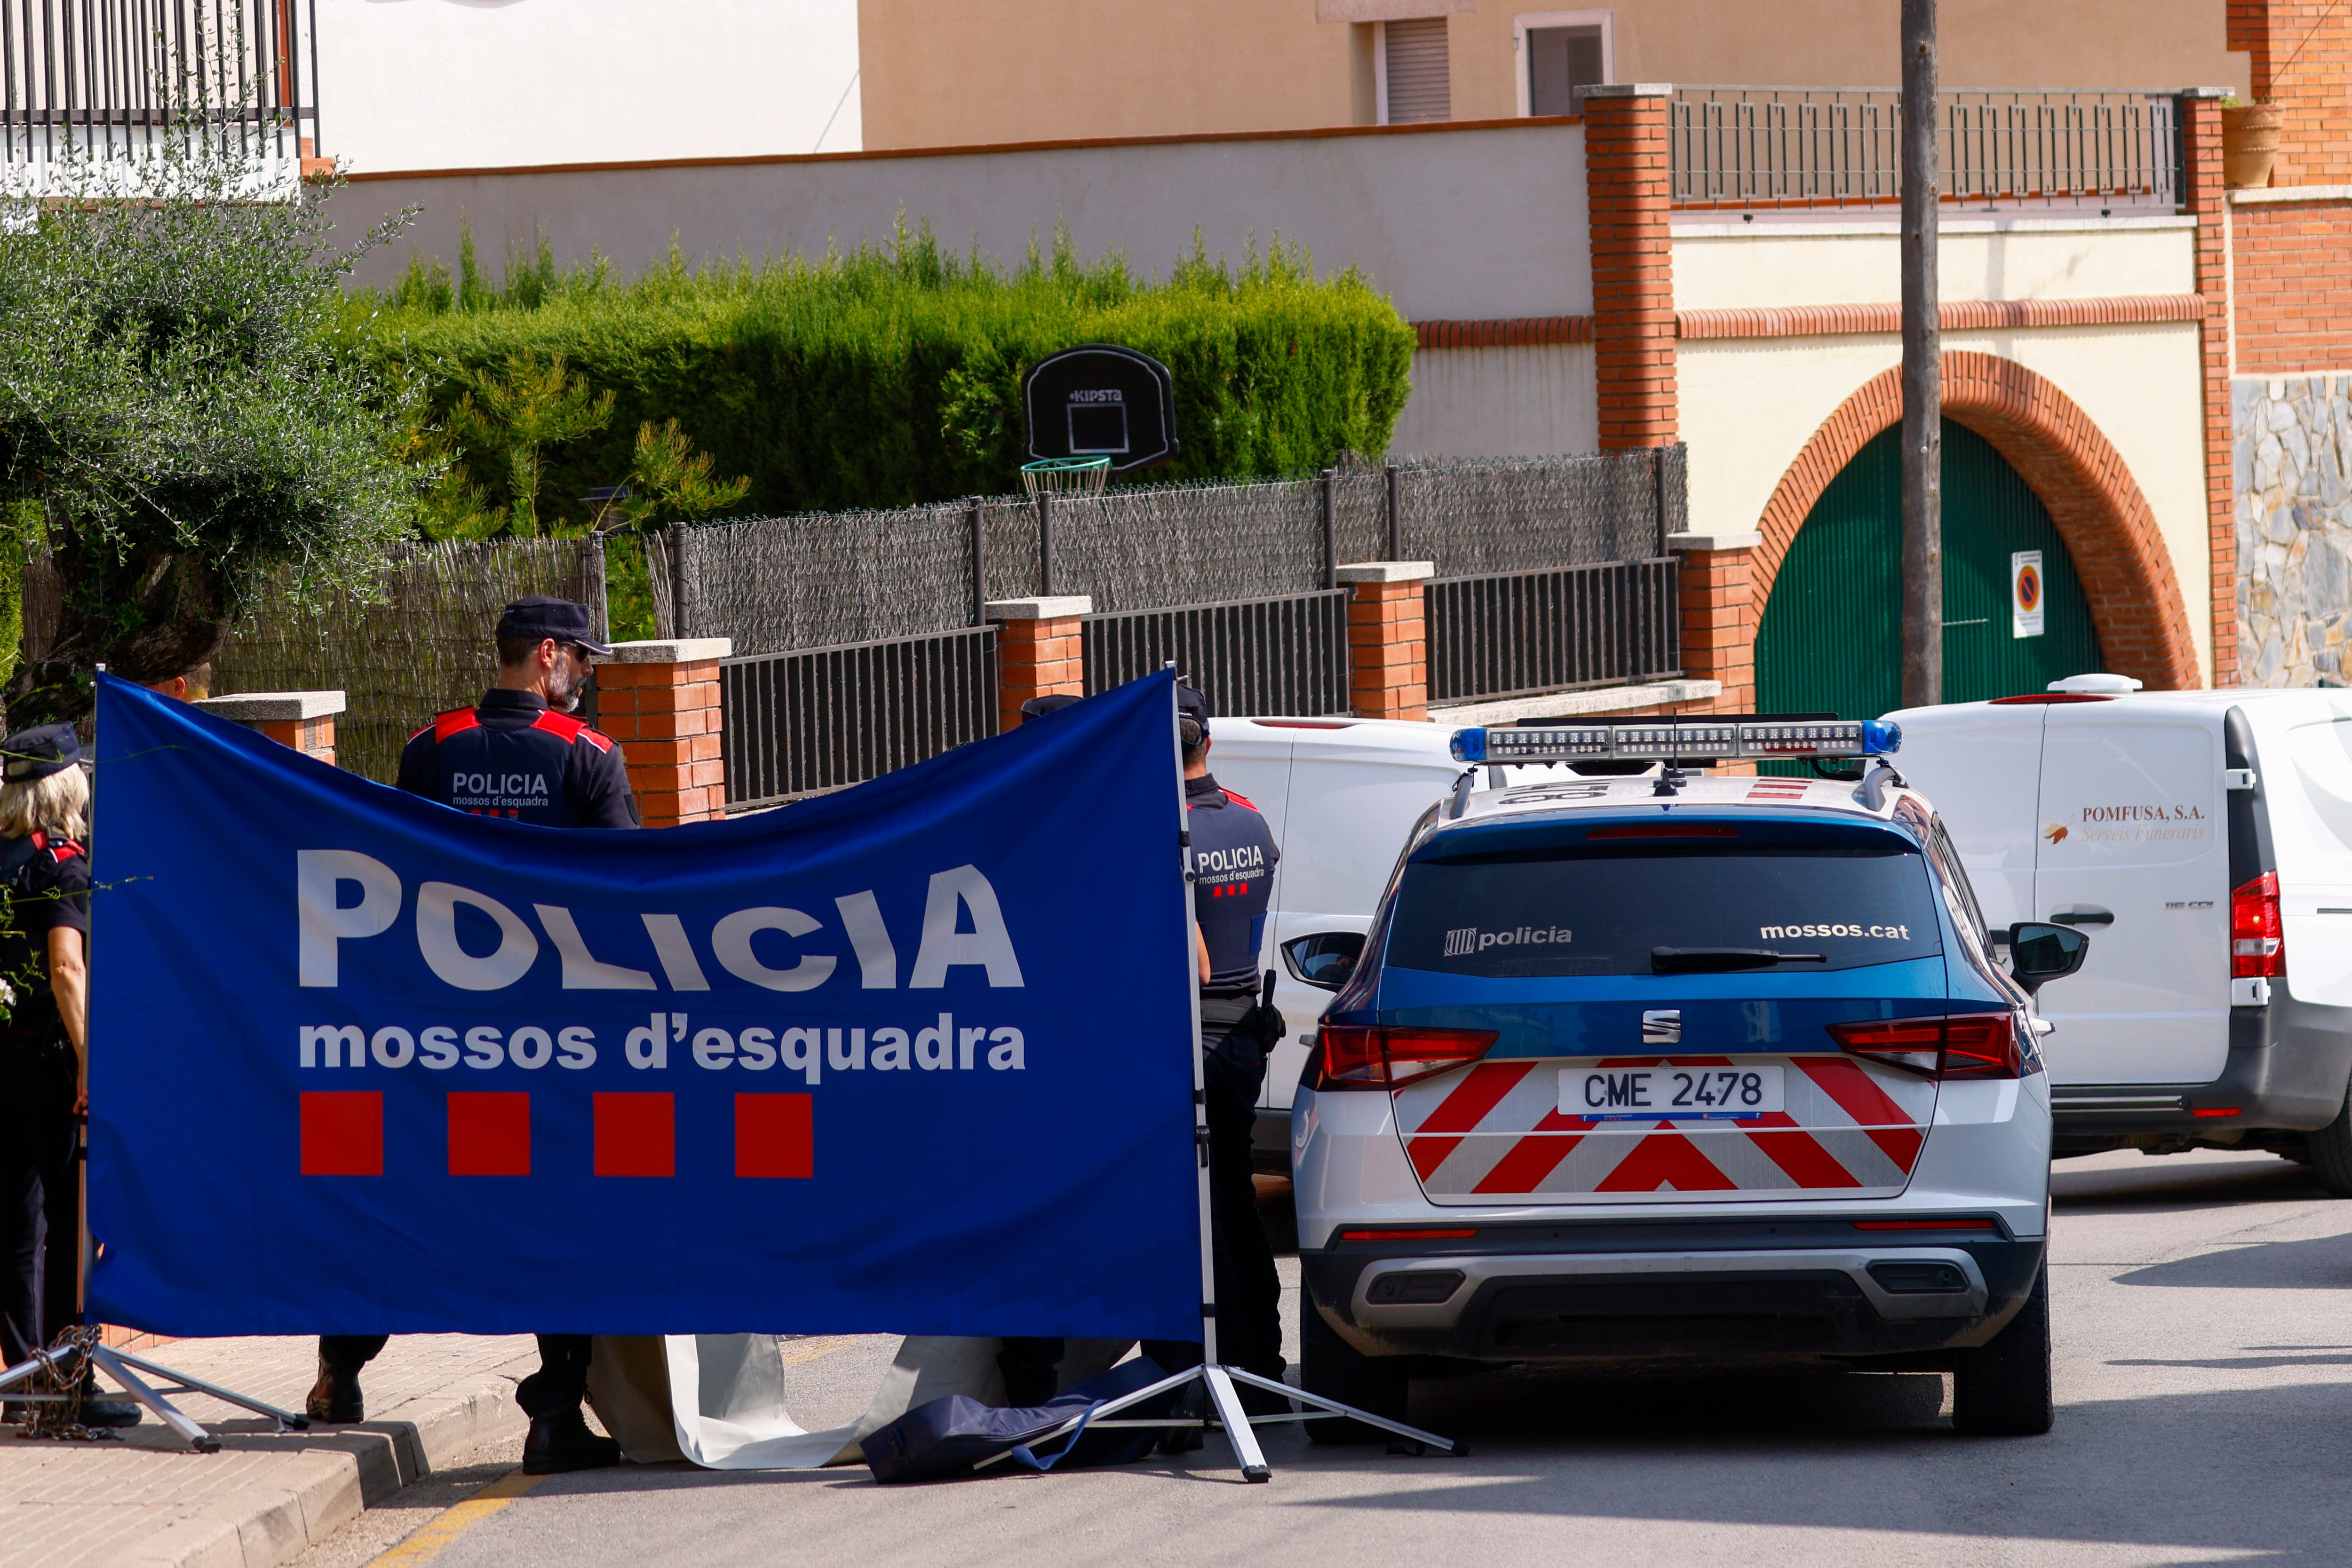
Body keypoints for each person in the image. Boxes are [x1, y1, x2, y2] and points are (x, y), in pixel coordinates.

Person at [307, 596, 631, 1474]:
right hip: (550, 1040)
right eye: (583, 663)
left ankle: (341, 1367)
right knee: (556, 1213)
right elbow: (627, 900)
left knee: (409, 1199)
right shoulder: (589, 758)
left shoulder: (430, 746)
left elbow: (399, 880)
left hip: (442, 1037)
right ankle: (555, 1416)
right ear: (549, 658)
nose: (589, 678)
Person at [0, 724, 137, 1425]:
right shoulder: (63, 863)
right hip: (45, 1061)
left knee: (13, 1226)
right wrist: (90, 1056)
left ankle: (20, 1385)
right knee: (62, 1223)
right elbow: (66, 968)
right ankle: (63, 1384)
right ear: (66, 785)